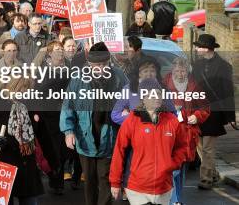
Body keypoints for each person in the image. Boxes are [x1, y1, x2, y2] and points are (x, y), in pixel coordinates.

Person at [60, 42, 128, 205]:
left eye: (104, 64)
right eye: (96, 65)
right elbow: (68, 104)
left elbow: (130, 98)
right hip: (85, 134)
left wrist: (128, 110)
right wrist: (68, 130)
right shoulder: (78, 78)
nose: (100, 68)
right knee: (89, 179)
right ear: (89, 64)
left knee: (105, 178)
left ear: (109, 62)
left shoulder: (119, 76)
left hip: (110, 134)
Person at [109, 79, 187, 204]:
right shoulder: (132, 121)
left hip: (164, 187)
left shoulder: (172, 121)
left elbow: (182, 147)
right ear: (143, 98)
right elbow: (119, 152)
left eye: (159, 93)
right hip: (137, 188)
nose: (156, 97)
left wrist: (172, 164)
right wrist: (115, 182)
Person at [0, 76, 46, 204]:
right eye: (21, 88)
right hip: (3, 163)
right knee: (3, 201)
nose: (24, 93)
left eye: (27, 89)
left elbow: (42, 132)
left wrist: (53, 161)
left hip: (26, 162)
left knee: (30, 201)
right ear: (11, 87)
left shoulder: (30, 103)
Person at [161, 57, 210, 204]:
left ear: (187, 71)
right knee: (172, 169)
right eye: (177, 70)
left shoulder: (195, 85)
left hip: (187, 133)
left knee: (181, 171)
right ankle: (174, 200)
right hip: (168, 132)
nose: (180, 74)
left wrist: (197, 116)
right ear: (172, 70)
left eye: (183, 71)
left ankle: (178, 198)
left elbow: (205, 107)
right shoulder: (164, 84)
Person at [192, 34, 235, 190]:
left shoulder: (224, 67)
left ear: (206, 48)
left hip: (213, 112)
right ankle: (213, 173)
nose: (196, 49)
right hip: (196, 111)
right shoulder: (196, 65)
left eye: (199, 46)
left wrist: (231, 116)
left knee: (208, 148)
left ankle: (206, 179)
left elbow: (228, 92)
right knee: (198, 146)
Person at [34, 41, 71, 195]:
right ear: (50, 53)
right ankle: (54, 177)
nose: (60, 52)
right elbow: (36, 90)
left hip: (63, 113)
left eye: (61, 49)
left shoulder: (69, 70)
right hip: (46, 114)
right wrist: (35, 112)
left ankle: (58, 177)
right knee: (50, 148)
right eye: (57, 49)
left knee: (62, 149)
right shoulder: (42, 70)